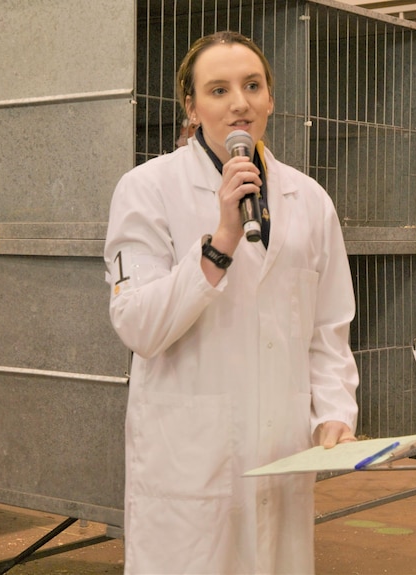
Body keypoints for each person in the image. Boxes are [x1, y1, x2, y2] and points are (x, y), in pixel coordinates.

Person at [103, 31, 360, 574]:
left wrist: (334, 413)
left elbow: (329, 328)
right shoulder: (147, 189)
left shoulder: (309, 200)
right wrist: (218, 245)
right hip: (190, 459)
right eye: (217, 90)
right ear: (192, 108)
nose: (239, 102)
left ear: (270, 99)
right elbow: (137, 325)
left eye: (252, 85)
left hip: (281, 452)